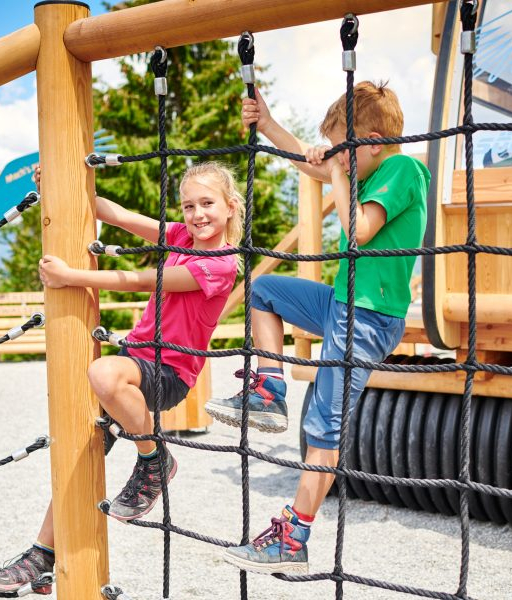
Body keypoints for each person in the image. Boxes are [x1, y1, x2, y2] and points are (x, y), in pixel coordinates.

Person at [0, 161, 245, 594]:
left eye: (207, 204)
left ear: (231, 207)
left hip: (168, 373)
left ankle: (154, 459)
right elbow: (114, 213)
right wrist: (61, 189)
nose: (197, 214)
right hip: (135, 364)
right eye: (188, 204)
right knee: (79, 460)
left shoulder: (222, 263)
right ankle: (40, 558)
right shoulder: (180, 236)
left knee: (102, 373)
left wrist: (72, 277)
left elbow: (143, 280)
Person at [205, 82, 430, 574]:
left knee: (322, 425)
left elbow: (360, 231)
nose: (341, 164)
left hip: (369, 319)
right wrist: (268, 126)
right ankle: (269, 387)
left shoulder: (403, 169)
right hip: (341, 304)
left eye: (347, 153)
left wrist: (335, 171)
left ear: (372, 142)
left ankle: (293, 536)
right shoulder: (365, 169)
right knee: (265, 291)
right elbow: (312, 166)